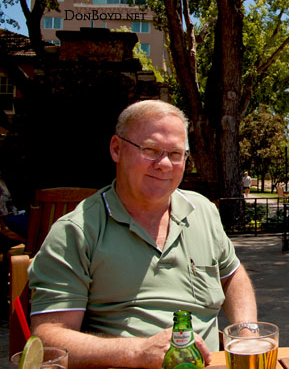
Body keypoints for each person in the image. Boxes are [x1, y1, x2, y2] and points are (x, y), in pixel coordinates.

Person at [28, 100, 257, 368]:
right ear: (116, 149)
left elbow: (232, 275)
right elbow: (48, 340)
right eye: (150, 150)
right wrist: (137, 351)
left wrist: (245, 332)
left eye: (175, 154)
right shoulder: (76, 231)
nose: (164, 164)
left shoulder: (202, 211)